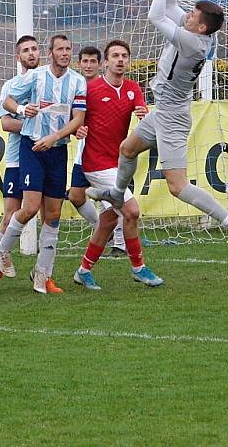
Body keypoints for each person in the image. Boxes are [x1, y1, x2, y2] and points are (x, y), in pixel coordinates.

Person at [87, 0, 228, 260]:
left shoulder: (191, 42)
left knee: (177, 186)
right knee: (127, 149)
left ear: (201, 27)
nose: (187, 15)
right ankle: (117, 195)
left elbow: (156, 15)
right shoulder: (194, 31)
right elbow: (172, 6)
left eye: (193, 16)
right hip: (164, 112)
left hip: (173, 118)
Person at [0, 34, 87, 294]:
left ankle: (42, 273)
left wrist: (57, 137)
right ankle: (2, 251)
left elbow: (78, 117)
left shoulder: (78, 82)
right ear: (51, 53)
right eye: (60, 49)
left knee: (54, 214)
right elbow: (8, 101)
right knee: (30, 208)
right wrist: (23, 110)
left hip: (56, 150)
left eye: (69, 48)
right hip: (33, 147)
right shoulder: (36, 77)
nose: (66, 53)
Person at [73, 39, 163, 290]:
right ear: (106, 62)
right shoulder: (90, 89)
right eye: (115, 56)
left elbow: (142, 111)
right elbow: (74, 118)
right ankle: (138, 268)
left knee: (109, 219)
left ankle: (83, 270)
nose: (120, 60)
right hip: (96, 163)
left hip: (120, 164)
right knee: (132, 211)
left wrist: (145, 117)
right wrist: (77, 129)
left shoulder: (133, 88)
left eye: (124, 55)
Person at [0, 35, 40, 294]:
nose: (31, 53)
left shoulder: (49, 83)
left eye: (34, 49)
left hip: (47, 155)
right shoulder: (11, 87)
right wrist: (35, 126)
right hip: (17, 158)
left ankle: (43, 274)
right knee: (12, 213)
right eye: (25, 50)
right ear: (18, 57)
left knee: (47, 214)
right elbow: (6, 124)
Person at [67, 46, 127, 257]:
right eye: (85, 61)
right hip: (82, 154)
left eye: (93, 61)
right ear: (79, 64)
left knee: (111, 199)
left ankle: (120, 244)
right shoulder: (77, 87)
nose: (89, 65)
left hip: (104, 155)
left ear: (100, 64)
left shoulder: (106, 86)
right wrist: (77, 130)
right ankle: (102, 228)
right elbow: (73, 119)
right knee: (75, 196)